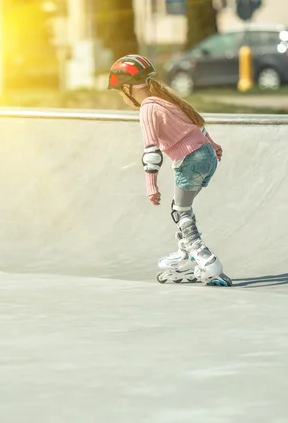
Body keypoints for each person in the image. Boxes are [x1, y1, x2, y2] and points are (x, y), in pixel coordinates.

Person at [107, 54, 231, 287]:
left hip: (190, 160)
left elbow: (151, 153)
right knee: (181, 205)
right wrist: (214, 147)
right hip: (207, 155)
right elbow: (198, 125)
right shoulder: (166, 100)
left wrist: (151, 186)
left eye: (119, 93)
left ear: (127, 88)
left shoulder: (147, 108)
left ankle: (207, 261)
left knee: (180, 212)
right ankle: (185, 255)